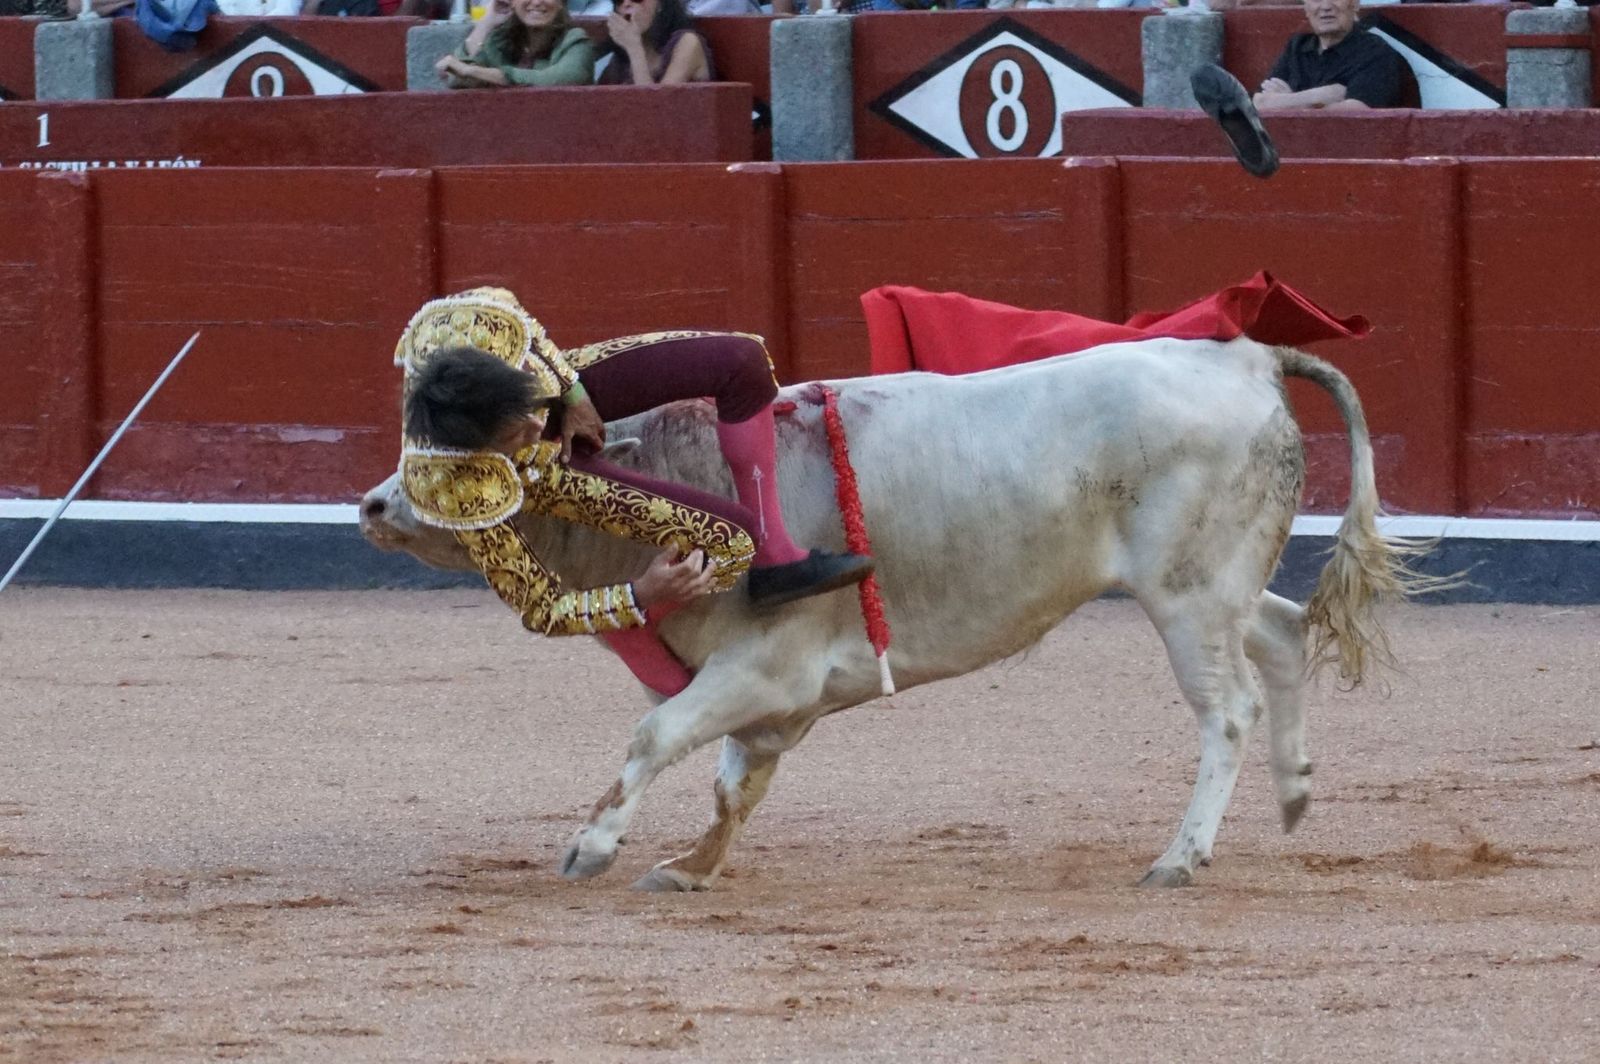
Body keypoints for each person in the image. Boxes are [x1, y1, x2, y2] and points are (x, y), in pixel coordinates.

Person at [395, 289, 875, 697]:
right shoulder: (454, 487)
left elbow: (528, 332)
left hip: (564, 385)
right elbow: (541, 608)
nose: (536, 427)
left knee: (741, 362)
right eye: (515, 435)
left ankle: (779, 559)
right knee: (730, 543)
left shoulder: (464, 326)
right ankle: (629, 624)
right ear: (479, 452)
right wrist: (639, 595)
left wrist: (571, 398)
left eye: (529, 410)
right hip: (546, 478)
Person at [1252, 0, 1411, 111]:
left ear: (1354, 4)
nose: (1326, 6)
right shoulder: (1296, 47)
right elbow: (1260, 102)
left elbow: (1356, 113)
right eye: (1316, 0)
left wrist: (1286, 102)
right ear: (1306, 9)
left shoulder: (1375, 52)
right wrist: (1322, 96)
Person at [435, 0, 597, 90]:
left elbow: (560, 79)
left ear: (561, 3)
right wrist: (486, 24)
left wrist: (474, 71)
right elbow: (456, 79)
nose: (537, 2)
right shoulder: (500, 40)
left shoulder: (576, 41)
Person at [599, 0, 713, 86]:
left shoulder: (688, 43)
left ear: (660, 3)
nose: (626, 3)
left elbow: (655, 109)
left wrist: (634, 49)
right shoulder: (621, 56)